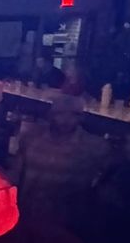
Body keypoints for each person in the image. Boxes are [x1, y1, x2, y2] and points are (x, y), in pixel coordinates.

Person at [12, 94, 109, 227]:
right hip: (26, 214)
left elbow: (110, 179)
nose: (66, 120)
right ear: (50, 115)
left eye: (73, 115)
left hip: (67, 223)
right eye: (60, 114)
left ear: (81, 117)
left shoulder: (95, 146)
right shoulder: (31, 138)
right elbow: (15, 174)